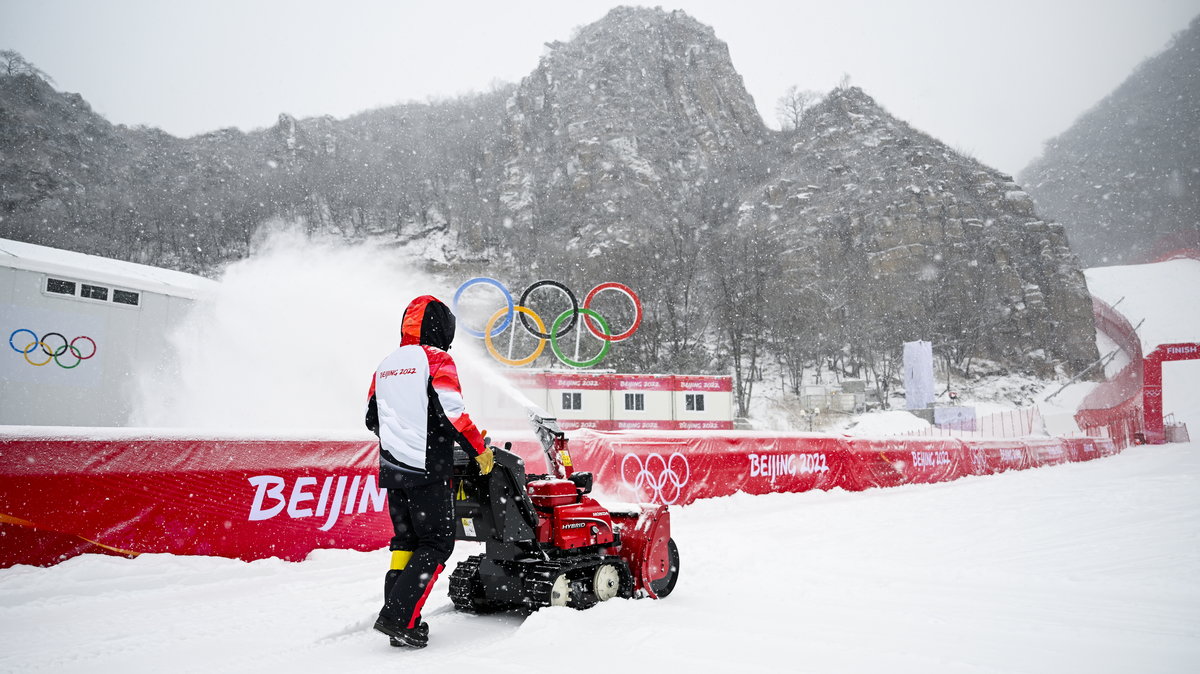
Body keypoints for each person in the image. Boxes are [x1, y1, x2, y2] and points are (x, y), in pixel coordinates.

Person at [365, 295, 493, 649]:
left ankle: (400, 619)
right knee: (436, 543)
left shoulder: (386, 364)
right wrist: (478, 451)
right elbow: (452, 412)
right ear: (441, 327)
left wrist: (404, 439)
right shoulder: (437, 358)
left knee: (406, 544)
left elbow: (371, 418)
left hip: (393, 470)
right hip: (428, 470)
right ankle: (399, 618)